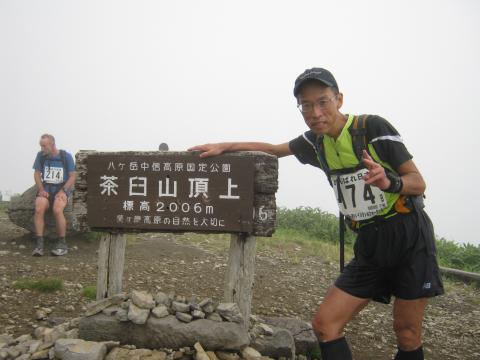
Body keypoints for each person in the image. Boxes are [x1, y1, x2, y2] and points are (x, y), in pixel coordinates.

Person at [189, 68, 444, 360]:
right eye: (306, 105)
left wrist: (390, 182)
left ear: (339, 99)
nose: (315, 112)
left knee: (407, 332)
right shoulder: (315, 142)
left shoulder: (372, 128)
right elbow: (274, 149)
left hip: (409, 234)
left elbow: (418, 182)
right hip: (370, 242)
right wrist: (226, 146)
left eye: (323, 101)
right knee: (325, 325)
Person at [32, 134, 75, 256]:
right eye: (41, 146)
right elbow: (36, 174)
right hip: (46, 189)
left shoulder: (66, 156)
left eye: (44, 146)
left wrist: (63, 190)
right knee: (39, 208)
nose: (42, 149)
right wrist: (41, 189)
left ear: (52, 145)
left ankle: (62, 243)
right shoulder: (41, 156)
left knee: (57, 209)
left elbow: (72, 176)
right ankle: (39, 244)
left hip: (61, 189)